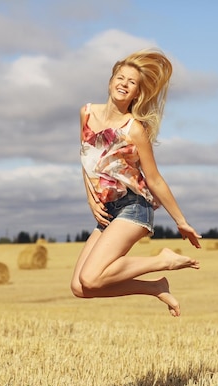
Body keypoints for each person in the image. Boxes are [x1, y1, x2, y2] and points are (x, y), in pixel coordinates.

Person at [70, 48, 202, 317]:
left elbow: (154, 179)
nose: (124, 84)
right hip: (108, 212)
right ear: (110, 81)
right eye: (120, 77)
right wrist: (90, 197)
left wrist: (181, 221)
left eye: (131, 83)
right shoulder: (86, 112)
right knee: (80, 287)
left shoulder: (134, 129)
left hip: (133, 207)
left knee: (93, 277)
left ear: (136, 94)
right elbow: (87, 156)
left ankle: (162, 260)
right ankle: (155, 287)